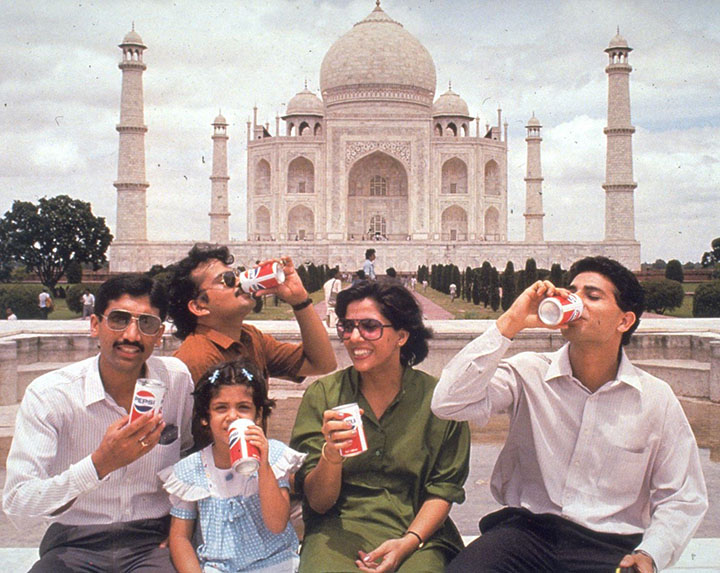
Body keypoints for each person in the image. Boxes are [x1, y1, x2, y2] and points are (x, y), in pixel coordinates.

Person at [432, 256, 708, 573]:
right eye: (572, 292)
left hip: (609, 545)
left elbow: (682, 495)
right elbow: (447, 403)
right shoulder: (529, 372)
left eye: (592, 296)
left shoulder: (655, 399)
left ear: (624, 321)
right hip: (526, 534)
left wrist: (651, 553)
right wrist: (510, 323)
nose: (575, 301)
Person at [3, 274, 194, 572]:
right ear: (95, 325)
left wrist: (183, 532)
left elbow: (189, 458)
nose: (131, 335)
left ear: (160, 335)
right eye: (118, 319)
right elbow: (18, 503)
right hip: (74, 541)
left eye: (147, 324)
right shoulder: (51, 394)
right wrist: (99, 464)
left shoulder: (176, 380)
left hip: (151, 542)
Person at [291, 281, 470, 572]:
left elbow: (443, 490)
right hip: (338, 529)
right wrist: (331, 456)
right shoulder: (324, 395)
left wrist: (408, 542)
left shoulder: (440, 402)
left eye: (370, 327)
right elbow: (319, 502)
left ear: (401, 335)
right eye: (346, 327)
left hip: (415, 531)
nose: (354, 338)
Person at [160, 359, 305, 572]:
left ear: (258, 416)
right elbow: (180, 537)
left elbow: (277, 524)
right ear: (204, 418)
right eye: (221, 408)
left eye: (243, 407)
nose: (232, 416)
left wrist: (263, 465)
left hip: (275, 563)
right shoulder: (192, 470)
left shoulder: (273, 456)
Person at [166, 244, 336, 386]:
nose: (240, 281)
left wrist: (300, 300)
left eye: (236, 275)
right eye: (226, 279)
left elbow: (322, 364)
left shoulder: (250, 338)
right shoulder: (197, 360)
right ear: (199, 306)